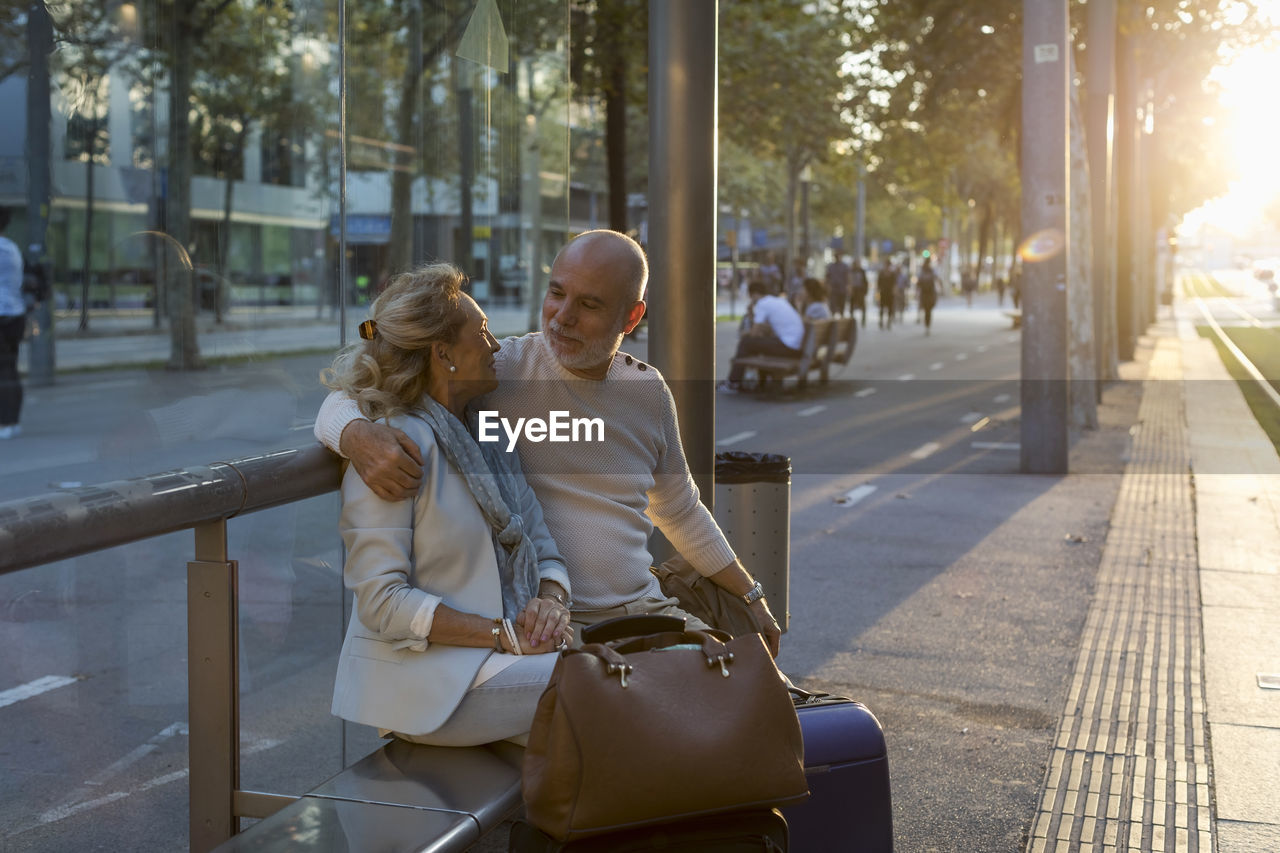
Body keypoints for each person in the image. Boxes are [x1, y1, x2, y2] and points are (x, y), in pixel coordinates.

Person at [315, 230, 782, 657]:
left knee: (749, 698)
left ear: (632, 316)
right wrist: (354, 434)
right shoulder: (497, 371)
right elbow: (357, 389)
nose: (563, 317)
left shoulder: (648, 391)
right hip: (556, 626)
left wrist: (750, 595)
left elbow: (681, 511)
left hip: (647, 607)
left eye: (590, 305)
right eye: (557, 293)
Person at [325, 263, 573, 747]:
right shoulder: (394, 449)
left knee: (618, 700)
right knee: (592, 692)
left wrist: (551, 603)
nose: (496, 344)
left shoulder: (491, 437)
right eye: (481, 332)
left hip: (511, 662)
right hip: (430, 686)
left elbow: (545, 548)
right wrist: (501, 634)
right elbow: (382, 602)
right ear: (444, 354)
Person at [721, 278, 806, 393]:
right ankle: (748, 380)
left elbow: (754, 333)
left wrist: (743, 333)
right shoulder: (778, 301)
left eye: (750, 297)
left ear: (755, 294)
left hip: (788, 347)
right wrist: (752, 315)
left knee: (746, 342)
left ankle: (733, 383)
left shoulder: (762, 304)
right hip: (796, 347)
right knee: (753, 343)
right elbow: (765, 330)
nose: (751, 300)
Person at [0, 209, 25, 440]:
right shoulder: (11, 247)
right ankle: (11, 421)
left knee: (5, 371)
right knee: (9, 369)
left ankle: (6, 423)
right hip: (14, 314)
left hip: (2, 314)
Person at [916, 257, 939, 335]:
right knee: (928, 310)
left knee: (926, 309)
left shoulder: (923, 271)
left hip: (926, 293)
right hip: (928, 293)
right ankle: (927, 326)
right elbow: (936, 279)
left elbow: (918, 282)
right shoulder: (930, 271)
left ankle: (926, 325)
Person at [876, 258, 896, 329]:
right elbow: (878, 283)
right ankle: (881, 321)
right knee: (882, 307)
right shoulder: (881, 273)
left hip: (890, 293)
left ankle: (888, 321)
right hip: (883, 292)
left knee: (890, 308)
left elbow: (894, 284)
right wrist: (877, 293)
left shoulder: (892, 274)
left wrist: (894, 291)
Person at [850, 259, 869, 327]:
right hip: (854, 290)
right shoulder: (851, 271)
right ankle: (851, 320)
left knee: (863, 307)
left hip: (860, 290)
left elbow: (865, 281)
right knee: (852, 306)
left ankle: (863, 320)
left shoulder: (862, 271)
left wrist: (865, 291)